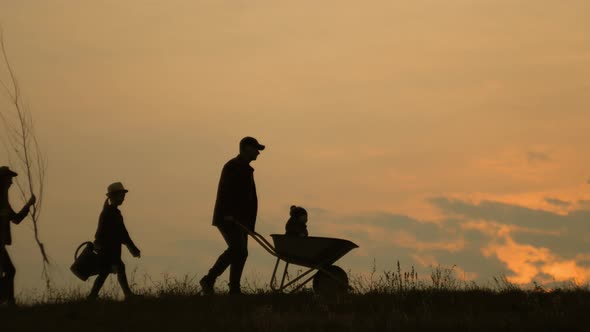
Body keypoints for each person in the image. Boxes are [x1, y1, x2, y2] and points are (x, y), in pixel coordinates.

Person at [200, 136, 265, 295]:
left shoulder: (246, 168)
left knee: (242, 252)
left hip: (241, 219)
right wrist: (228, 214)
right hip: (228, 218)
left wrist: (250, 224)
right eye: (255, 148)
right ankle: (209, 279)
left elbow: (249, 199)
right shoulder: (233, 166)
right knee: (237, 249)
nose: (258, 152)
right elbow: (227, 192)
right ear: (245, 148)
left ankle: (234, 288)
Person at [88, 182, 141, 300]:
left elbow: (121, 234)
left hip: (107, 248)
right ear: (113, 196)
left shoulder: (110, 212)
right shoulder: (111, 213)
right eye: (121, 195)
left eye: (123, 196)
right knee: (116, 268)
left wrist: (131, 247)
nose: (123, 198)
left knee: (105, 271)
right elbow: (122, 233)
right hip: (108, 249)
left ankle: (92, 296)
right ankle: (128, 295)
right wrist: (132, 248)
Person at [0, 166, 36, 306]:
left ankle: (7, 300)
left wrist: (28, 205)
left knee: (8, 270)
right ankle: (8, 301)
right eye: (8, 178)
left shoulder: (4, 200)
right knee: (9, 270)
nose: (11, 182)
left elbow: (16, 219)